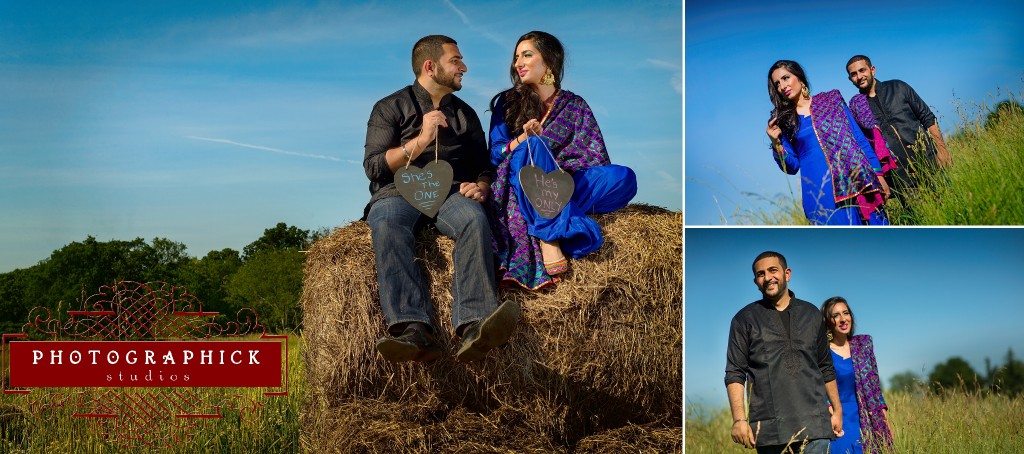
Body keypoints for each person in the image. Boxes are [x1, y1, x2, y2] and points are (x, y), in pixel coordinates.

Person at [362, 35, 519, 363]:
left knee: (474, 219)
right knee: (387, 221)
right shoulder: (389, 107)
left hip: (451, 191)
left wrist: (482, 185)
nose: (464, 67)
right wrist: (420, 140)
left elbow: (483, 165)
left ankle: (474, 324)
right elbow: (374, 166)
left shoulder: (465, 114)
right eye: (456, 60)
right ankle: (412, 328)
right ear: (430, 67)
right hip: (397, 190)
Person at [487, 31, 637, 289]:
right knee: (534, 145)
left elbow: (594, 156)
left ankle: (554, 214)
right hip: (522, 183)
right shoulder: (508, 102)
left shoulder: (575, 105)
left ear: (549, 61)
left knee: (624, 177)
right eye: (516, 57)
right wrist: (522, 139)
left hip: (564, 180)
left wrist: (561, 169)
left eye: (527, 55)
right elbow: (495, 154)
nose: (518, 63)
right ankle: (550, 237)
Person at [725, 251, 843, 454]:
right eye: (761, 274)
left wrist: (837, 409)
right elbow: (735, 372)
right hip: (771, 431)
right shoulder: (744, 320)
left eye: (773, 270)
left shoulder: (812, 314)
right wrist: (739, 420)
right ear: (756, 281)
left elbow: (825, 366)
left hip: (815, 426)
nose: (768, 277)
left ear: (787, 274)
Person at [766, 60, 890, 225]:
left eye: (786, 78)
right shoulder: (784, 121)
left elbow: (858, 139)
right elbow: (792, 166)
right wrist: (777, 144)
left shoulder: (831, 100)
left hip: (856, 179)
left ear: (799, 77)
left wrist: (878, 174)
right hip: (820, 193)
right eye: (777, 84)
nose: (782, 86)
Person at [846, 55, 951, 203]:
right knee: (918, 219)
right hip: (900, 177)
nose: (859, 76)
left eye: (862, 70)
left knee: (948, 204)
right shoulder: (857, 108)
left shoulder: (898, 87)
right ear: (850, 79)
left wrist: (942, 149)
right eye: (853, 74)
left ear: (872, 70)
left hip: (928, 160)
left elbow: (927, 117)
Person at [820, 296, 893, 454]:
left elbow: (875, 391)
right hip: (837, 419)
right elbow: (818, 389)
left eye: (845, 313)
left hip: (868, 419)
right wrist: (832, 417)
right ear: (828, 321)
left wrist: (886, 425)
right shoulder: (822, 352)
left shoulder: (863, 346)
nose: (843, 319)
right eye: (836, 315)